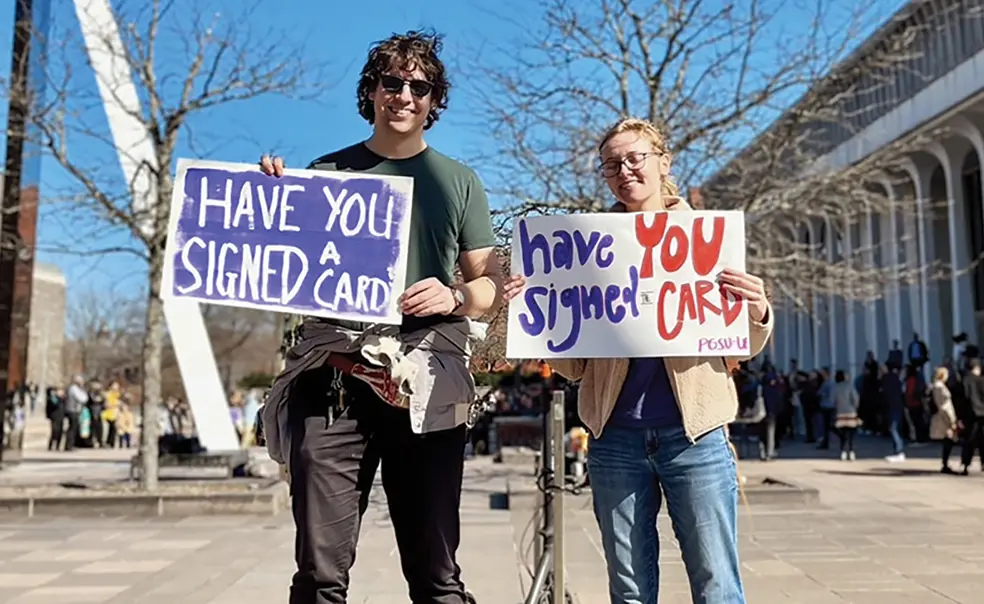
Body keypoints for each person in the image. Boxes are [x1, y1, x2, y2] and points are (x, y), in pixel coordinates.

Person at [259, 30, 502, 604]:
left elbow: (490, 286)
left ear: (432, 101)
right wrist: (267, 199)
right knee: (318, 577)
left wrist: (456, 297)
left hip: (426, 385)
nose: (405, 95)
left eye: (419, 86)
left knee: (437, 576)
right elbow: (280, 261)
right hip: (335, 382)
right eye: (392, 82)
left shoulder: (459, 181)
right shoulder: (327, 171)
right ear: (372, 91)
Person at [501, 117, 773, 604]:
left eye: (635, 158)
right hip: (615, 440)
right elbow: (576, 365)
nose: (624, 170)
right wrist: (535, 317)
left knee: (717, 584)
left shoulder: (707, 240)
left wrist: (759, 310)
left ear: (663, 162)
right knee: (628, 589)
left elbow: (739, 346)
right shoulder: (587, 250)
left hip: (695, 437)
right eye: (611, 164)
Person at [929, 366, 959, 474]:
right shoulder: (940, 388)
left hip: (942, 416)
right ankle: (945, 463)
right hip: (944, 418)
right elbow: (944, 406)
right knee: (948, 440)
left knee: (948, 441)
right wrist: (951, 420)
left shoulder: (936, 386)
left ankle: (945, 463)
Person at [832, 370, 860, 461]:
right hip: (850, 412)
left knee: (843, 434)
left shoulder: (835, 387)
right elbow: (855, 399)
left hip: (840, 413)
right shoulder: (850, 386)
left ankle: (843, 451)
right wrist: (855, 408)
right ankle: (851, 451)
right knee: (851, 433)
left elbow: (832, 400)